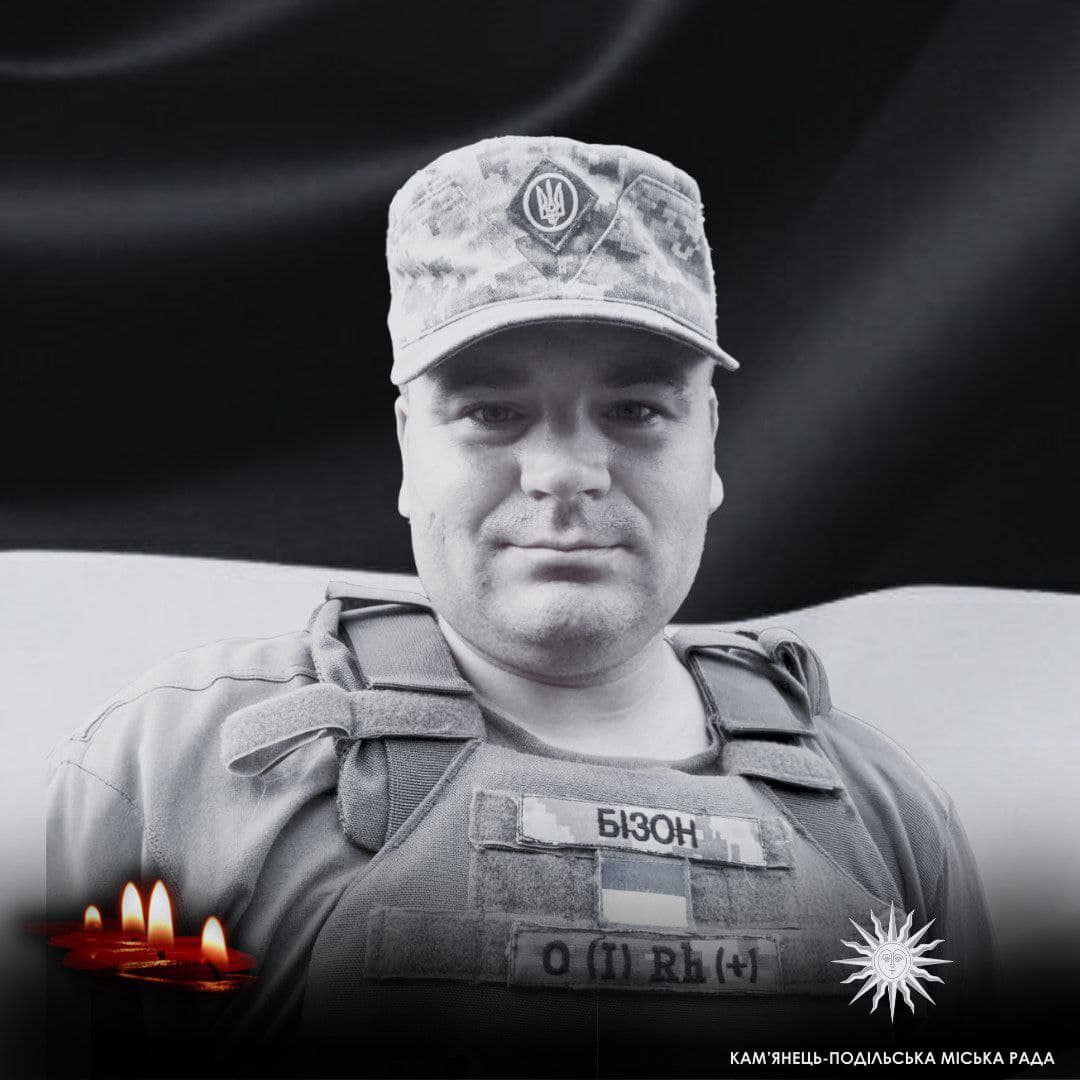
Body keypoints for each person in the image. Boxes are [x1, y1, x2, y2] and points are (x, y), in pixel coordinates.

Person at [47, 137, 994, 1076]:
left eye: (635, 410)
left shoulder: (884, 818)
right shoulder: (191, 771)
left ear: (708, 440)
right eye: (492, 412)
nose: (566, 472)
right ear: (409, 447)